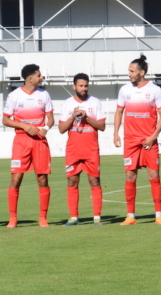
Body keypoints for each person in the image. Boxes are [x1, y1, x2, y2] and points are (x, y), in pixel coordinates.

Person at [114, 55, 161, 225]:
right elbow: (119, 112)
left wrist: (153, 136)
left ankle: (158, 215)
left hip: (149, 141)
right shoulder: (124, 90)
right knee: (130, 176)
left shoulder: (155, 90)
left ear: (141, 72)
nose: (129, 74)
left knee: (154, 176)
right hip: (130, 141)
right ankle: (131, 216)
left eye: (132, 71)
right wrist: (116, 133)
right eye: (129, 70)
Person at [2, 64, 54, 228]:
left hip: (39, 141)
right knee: (16, 178)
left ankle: (43, 218)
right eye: (39, 75)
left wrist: (46, 128)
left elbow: (51, 118)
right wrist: (23, 126)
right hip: (21, 141)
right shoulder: (14, 96)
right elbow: (5, 120)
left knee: (42, 178)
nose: (42, 77)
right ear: (30, 78)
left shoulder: (44, 94)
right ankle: (13, 218)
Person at [59, 73, 106, 226]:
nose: (84, 88)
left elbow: (102, 127)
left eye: (86, 85)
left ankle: (97, 217)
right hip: (73, 150)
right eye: (81, 85)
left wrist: (86, 118)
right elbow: (61, 129)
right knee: (72, 181)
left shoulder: (95, 102)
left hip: (91, 149)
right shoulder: (67, 103)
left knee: (94, 180)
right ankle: (73, 217)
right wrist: (73, 117)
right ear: (74, 86)